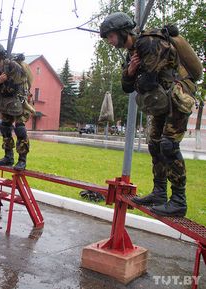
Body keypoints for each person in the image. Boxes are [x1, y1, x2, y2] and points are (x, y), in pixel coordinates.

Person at [100, 12, 199, 217]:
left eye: (110, 36)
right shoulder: (132, 53)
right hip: (162, 101)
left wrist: (136, 73)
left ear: (122, 31)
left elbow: (148, 82)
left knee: (168, 145)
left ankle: (179, 200)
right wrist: (131, 70)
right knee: (154, 143)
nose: (109, 41)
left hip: (179, 95)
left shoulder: (148, 42)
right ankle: (159, 193)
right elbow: (127, 87)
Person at [0, 42, 31, 171]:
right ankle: (8, 157)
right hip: (3, 103)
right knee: (5, 128)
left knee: (20, 130)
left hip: (17, 101)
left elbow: (18, 85)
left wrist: (3, 83)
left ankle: (22, 160)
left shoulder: (12, 66)